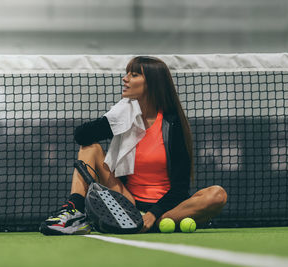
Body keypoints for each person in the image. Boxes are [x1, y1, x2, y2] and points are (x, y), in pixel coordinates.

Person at [40, 56, 227, 235]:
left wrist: (154, 212)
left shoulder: (173, 124)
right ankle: (76, 213)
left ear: (152, 83)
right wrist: (116, 116)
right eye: (127, 73)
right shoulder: (124, 116)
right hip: (127, 201)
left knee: (217, 195)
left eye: (134, 75)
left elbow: (180, 188)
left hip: (165, 207)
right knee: (89, 148)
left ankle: (153, 221)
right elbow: (81, 136)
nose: (125, 78)